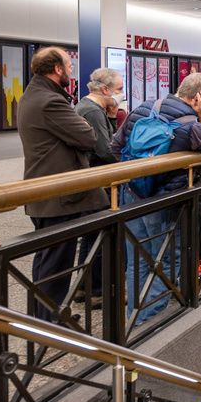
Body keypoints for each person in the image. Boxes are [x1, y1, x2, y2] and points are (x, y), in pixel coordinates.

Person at [111, 73, 201, 323]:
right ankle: (149, 323)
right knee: (166, 260)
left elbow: (114, 147)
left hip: (132, 196)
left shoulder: (144, 107)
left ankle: (133, 318)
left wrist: (135, 179)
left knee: (137, 259)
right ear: (199, 98)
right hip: (166, 203)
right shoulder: (192, 123)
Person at [16, 47, 107, 322]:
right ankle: (49, 322)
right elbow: (88, 137)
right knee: (56, 263)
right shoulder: (50, 101)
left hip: (45, 193)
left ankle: (43, 316)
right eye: (68, 66)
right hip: (58, 195)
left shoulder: (32, 95)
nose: (70, 70)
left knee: (46, 260)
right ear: (56, 69)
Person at [73, 67, 124, 308]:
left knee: (91, 235)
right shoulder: (92, 112)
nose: (121, 94)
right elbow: (105, 149)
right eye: (119, 89)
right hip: (98, 179)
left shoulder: (88, 107)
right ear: (105, 89)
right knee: (99, 236)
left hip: (90, 177)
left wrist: (112, 117)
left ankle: (83, 287)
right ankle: (96, 290)